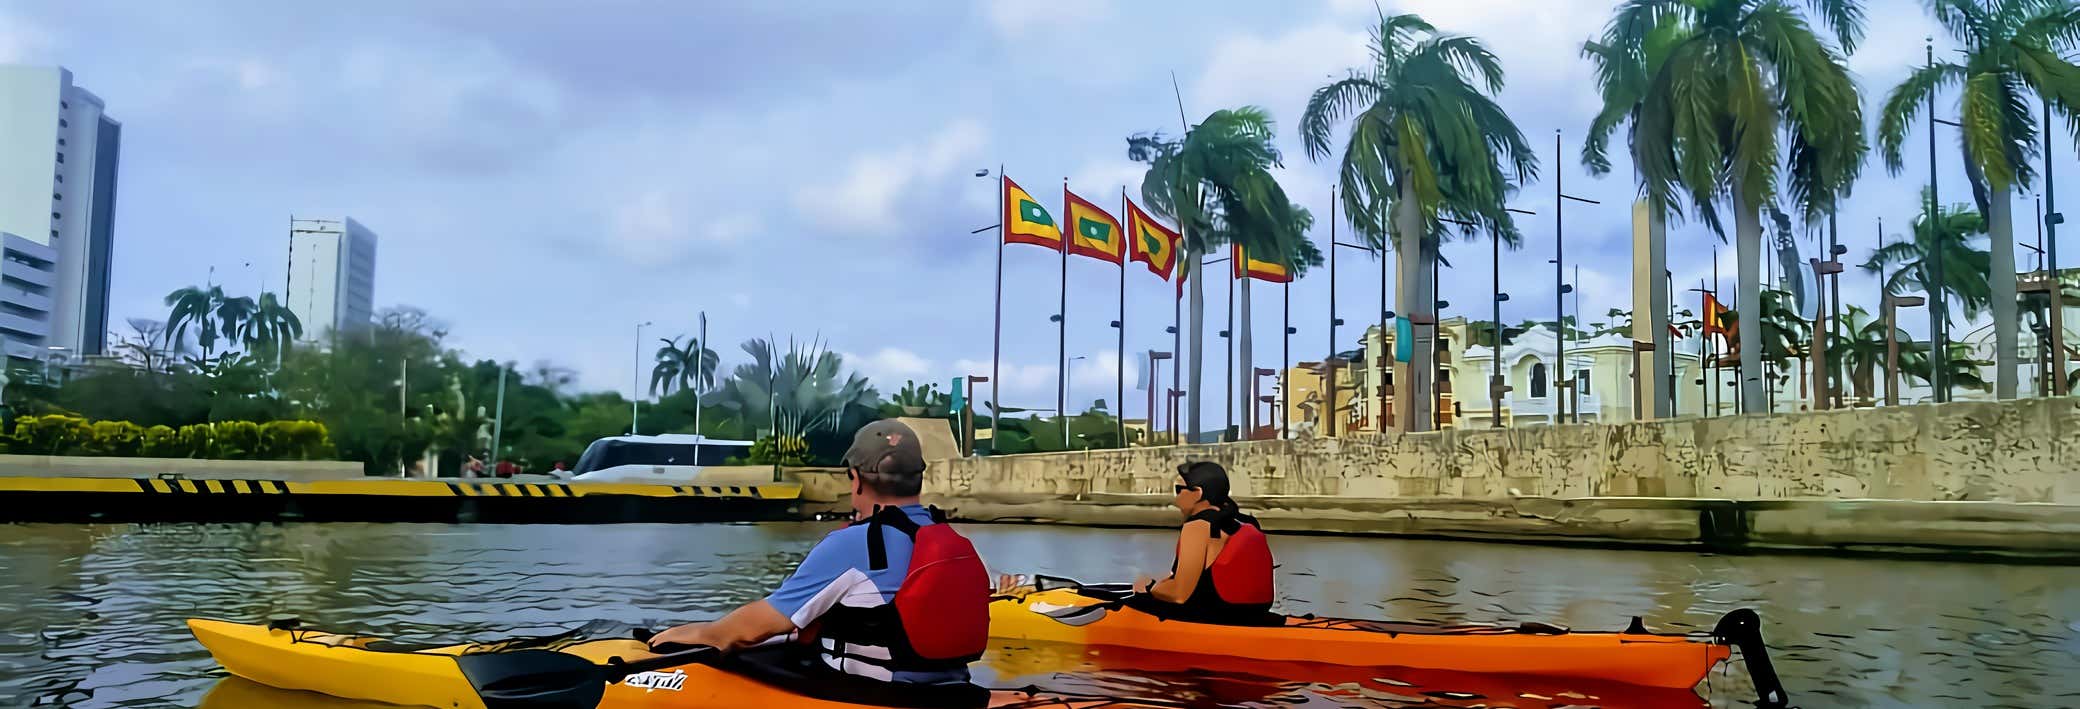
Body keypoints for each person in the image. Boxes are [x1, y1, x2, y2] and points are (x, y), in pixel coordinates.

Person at [646, 420, 990, 700]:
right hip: (953, 686)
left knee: (743, 652)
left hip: (883, 693)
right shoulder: (950, 537)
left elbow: (754, 628)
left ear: (855, 479)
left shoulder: (851, 544)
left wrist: (700, 633)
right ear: (920, 476)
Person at [1126, 461, 1276, 624]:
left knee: (1134, 600)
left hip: (1217, 618)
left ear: (1197, 493)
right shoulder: (1244, 523)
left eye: (1179, 490)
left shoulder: (1197, 527)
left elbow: (1179, 595)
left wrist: (1150, 587)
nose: (1176, 500)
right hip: (1256, 615)